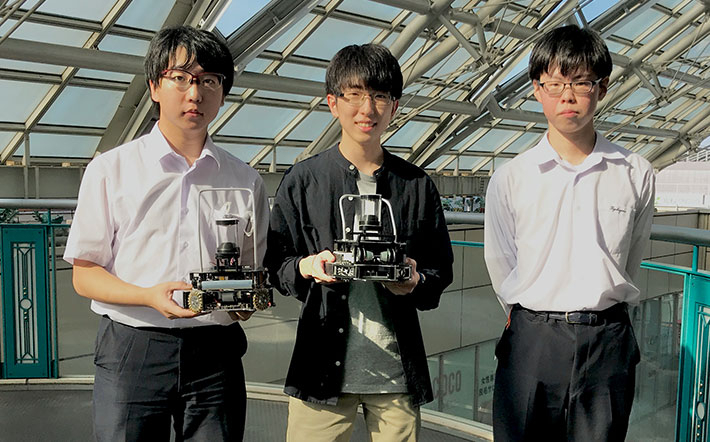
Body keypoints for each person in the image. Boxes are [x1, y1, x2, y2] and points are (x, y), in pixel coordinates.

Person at [63, 25, 269, 441]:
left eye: (209, 81)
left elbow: (250, 270)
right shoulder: (111, 170)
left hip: (216, 350)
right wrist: (147, 296)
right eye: (181, 78)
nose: (195, 93)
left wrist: (247, 302)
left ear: (223, 93)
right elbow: (84, 274)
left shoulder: (245, 180)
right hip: (132, 347)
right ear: (156, 85)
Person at [265, 43, 453, 441]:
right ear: (333, 103)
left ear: (394, 106)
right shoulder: (304, 180)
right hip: (320, 372)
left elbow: (440, 270)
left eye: (380, 96)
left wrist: (415, 281)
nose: (367, 109)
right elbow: (276, 263)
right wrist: (307, 266)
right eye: (354, 95)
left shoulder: (415, 185)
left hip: (396, 377)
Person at [484, 25, 655, 441]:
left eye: (581, 82)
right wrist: (530, 319)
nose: (568, 95)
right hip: (532, 342)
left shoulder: (636, 173)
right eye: (555, 83)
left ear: (602, 87)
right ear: (537, 89)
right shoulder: (512, 177)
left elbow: (631, 256)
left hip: (608, 341)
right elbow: (500, 262)